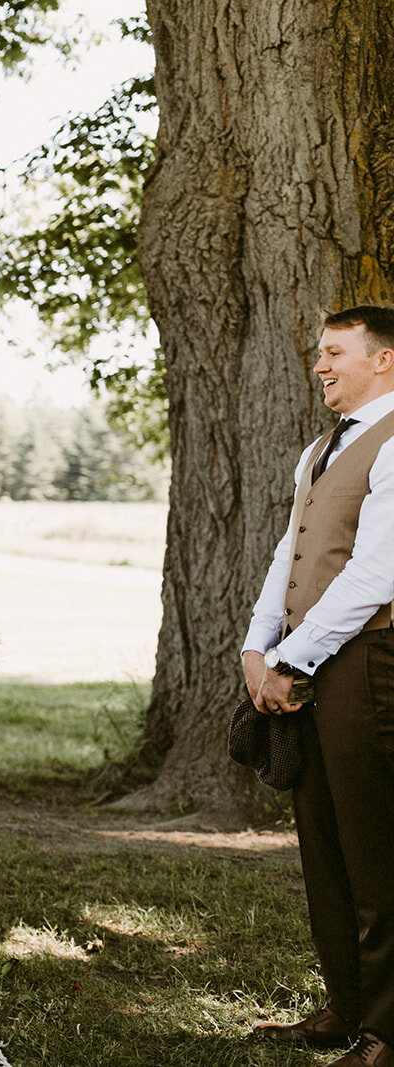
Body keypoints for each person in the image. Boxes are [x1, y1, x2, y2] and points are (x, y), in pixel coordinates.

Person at [245, 305, 394, 1067]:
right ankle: (343, 1007)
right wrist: (255, 648)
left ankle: (387, 1033)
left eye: (335, 352)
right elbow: (288, 551)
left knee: (375, 852)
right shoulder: (318, 449)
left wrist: (291, 659)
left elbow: (375, 573)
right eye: (318, 353)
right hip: (308, 665)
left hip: (369, 664)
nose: (320, 365)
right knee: (323, 843)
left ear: (384, 359)